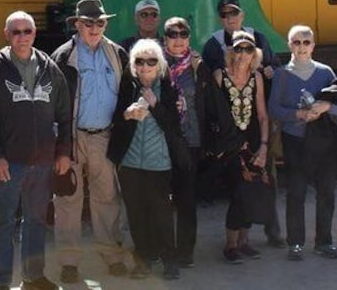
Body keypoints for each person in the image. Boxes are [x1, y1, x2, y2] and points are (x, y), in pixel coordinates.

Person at [0, 11, 72, 290]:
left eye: (27, 31)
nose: (21, 36)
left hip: (43, 162)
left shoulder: (49, 67)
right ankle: (0, 280)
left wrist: (63, 151)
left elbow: (64, 112)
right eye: (15, 32)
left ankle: (33, 277)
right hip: (9, 162)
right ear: (6, 35)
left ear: (34, 34)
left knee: (36, 220)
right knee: (3, 221)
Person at [50, 0, 129, 283]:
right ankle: (69, 262)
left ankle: (111, 255)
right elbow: (55, 105)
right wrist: (60, 147)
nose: (95, 28)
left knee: (107, 198)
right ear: (78, 25)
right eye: (88, 23)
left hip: (104, 136)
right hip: (72, 137)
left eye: (100, 22)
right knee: (67, 199)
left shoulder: (117, 54)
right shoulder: (62, 56)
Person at [202, 0, 284, 248]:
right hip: (230, 134)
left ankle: (272, 231)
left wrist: (272, 70)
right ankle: (235, 242)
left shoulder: (258, 37)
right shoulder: (213, 45)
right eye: (225, 14)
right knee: (240, 187)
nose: (231, 18)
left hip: (257, 123)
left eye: (234, 13)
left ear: (242, 15)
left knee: (265, 180)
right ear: (220, 18)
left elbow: (275, 65)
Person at [108, 39, 187, 280]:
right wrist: (127, 113)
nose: (145, 66)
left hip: (158, 163)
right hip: (130, 163)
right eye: (139, 61)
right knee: (136, 213)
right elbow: (116, 119)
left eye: (151, 61)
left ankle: (169, 259)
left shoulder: (169, 88)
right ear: (133, 65)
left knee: (161, 213)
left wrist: (155, 105)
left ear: (160, 64)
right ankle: (144, 258)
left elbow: (174, 126)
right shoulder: (127, 86)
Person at [268, 25, 337, 261]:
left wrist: (327, 107)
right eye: (296, 42)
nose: (301, 47)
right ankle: (295, 244)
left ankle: (324, 242)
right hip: (295, 141)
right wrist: (299, 115)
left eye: (306, 42)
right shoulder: (282, 74)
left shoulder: (326, 72)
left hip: (324, 141)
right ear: (289, 45)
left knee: (326, 192)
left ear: (313, 45)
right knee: (296, 193)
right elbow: (274, 108)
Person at [162, 16, 215, 268]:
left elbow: (208, 104)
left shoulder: (198, 66)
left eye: (184, 35)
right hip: (161, 142)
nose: (179, 39)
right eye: (173, 34)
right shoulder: (155, 63)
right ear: (165, 39)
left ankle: (185, 251)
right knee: (161, 199)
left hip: (191, 140)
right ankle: (164, 249)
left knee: (186, 199)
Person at [213, 31, 270, 264]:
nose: (243, 54)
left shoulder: (256, 78)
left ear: (254, 53)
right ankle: (230, 245)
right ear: (231, 51)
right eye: (238, 49)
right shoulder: (220, 76)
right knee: (238, 193)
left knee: (251, 193)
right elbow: (214, 114)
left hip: (253, 142)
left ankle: (244, 242)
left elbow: (263, 115)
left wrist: (264, 146)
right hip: (230, 146)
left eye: (248, 49)